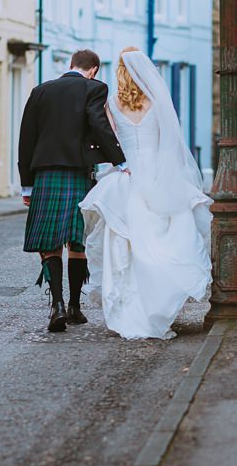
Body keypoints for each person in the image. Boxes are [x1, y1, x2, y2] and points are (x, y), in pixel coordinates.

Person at [79, 48, 213, 340]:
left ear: (120, 72)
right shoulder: (157, 103)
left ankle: (130, 309)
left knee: (127, 244)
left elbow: (110, 141)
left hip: (127, 176)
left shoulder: (111, 105)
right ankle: (157, 305)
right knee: (162, 239)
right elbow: (170, 144)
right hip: (158, 175)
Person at [19, 50, 127, 333]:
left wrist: (26, 183)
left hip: (45, 175)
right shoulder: (94, 88)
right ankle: (75, 307)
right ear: (93, 70)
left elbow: (26, 138)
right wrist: (119, 159)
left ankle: (56, 304)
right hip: (79, 173)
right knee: (77, 241)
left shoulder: (40, 91)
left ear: (71, 66)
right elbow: (98, 123)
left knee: (50, 240)